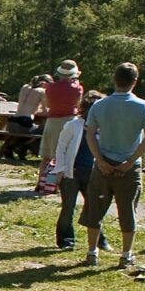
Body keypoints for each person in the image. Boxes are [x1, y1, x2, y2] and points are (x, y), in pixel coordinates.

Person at [79, 62, 145, 270]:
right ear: (135, 81)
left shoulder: (99, 105)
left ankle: (91, 252)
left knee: (94, 209)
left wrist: (101, 160)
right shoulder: (144, 106)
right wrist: (130, 161)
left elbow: (89, 133)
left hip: (103, 164)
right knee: (128, 210)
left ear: (114, 80)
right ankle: (126, 254)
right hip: (129, 168)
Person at [48, 89, 106, 250]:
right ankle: (66, 240)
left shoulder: (103, 128)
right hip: (71, 172)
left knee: (94, 207)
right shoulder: (73, 125)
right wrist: (60, 169)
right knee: (68, 207)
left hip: (93, 174)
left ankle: (100, 240)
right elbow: (61, 147)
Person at [38, 60, 84, 193]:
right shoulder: (77, 88)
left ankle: (41, 182)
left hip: (52, 121)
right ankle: (57, 185)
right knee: (64, 154)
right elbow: (79, 104)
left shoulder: (50, 87)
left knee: (47, 156)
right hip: (69, 120)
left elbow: (47, 104)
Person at [0, 73, 48, 161]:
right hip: (24, 122)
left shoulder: (25, 87)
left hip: (12, 121)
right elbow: (45, 111)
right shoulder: (41, 91)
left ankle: (11, 148)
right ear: (44, 84)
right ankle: (21, 148)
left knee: (26, 133)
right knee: (41, 132)